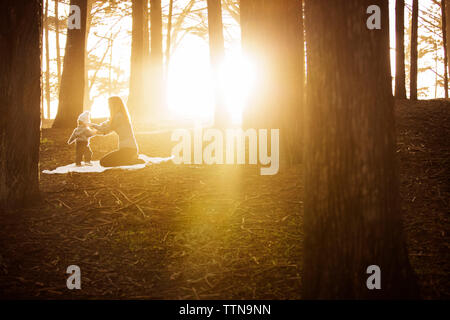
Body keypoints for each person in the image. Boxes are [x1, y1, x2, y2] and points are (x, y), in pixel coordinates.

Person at [90, 96, 144, 167]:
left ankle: (131, 160)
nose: (108, 107)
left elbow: (106, 130)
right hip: (124, 150)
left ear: (114, 105)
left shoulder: (119, 117)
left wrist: (92, 128)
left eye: (109, 104)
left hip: (129, 149)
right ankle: (130, 159)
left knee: (103, 162)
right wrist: (92, 128)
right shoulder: (114, 117)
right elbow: (103, 126)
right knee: (104, 161)